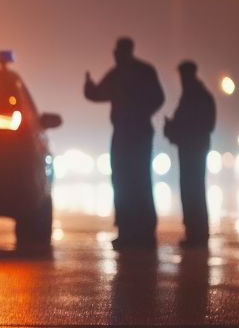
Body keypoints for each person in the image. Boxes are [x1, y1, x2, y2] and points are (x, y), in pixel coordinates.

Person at [84, 37, 165, 250]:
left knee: (133, 180)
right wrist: (89, 87)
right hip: (126, 132)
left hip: (134, 133)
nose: (116, 54)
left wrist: (139, 113)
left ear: (126, 50)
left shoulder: (133, 72)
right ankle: (131, 230)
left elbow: (158, 98)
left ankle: (139, 230)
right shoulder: (125, 73)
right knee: (127, 181)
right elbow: (98, 94)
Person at [163, 61, 216, 248]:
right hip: (192, 148)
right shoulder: (196, 95)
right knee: (193, 189)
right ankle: (196, 231)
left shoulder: (196, 96)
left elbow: (204, 124)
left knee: (192, 190)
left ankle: (197, 233)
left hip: (193, 148)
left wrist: (176, 129)